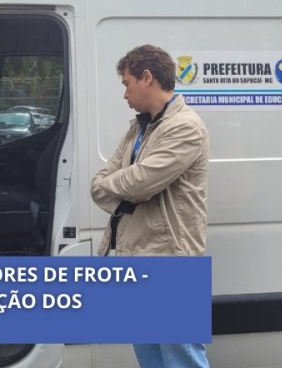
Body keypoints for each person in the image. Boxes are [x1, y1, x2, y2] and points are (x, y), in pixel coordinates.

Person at [90, 44, 211, 368]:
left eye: (127, 84)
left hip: (169, 261)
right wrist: (122, 187)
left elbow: (140, 183)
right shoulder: (138, 127)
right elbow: (100, 184)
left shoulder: (186, 126)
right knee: (151, 359)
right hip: (136, 256)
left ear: (147, 77)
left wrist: (121, 186)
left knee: (183, 360)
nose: (125, 94)